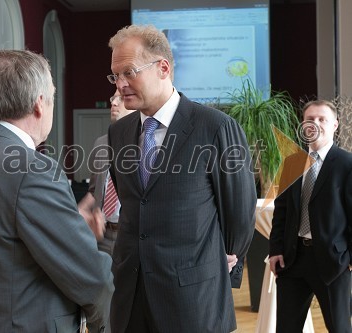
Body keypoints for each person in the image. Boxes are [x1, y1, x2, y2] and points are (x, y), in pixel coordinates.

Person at [0, 50, 113, 333]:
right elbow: (91, 276)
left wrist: (67, 226)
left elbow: (2, 239)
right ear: (39, 105)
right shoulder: (34, 169)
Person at [105, 25, 257, 333]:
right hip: (130, 299)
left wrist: (222, 262)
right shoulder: (118, 132)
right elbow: (132, 202)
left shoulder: (215, 127)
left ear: (163, 68)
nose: (120, 84)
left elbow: (240, 214)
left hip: (192, 301)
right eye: (115, 75)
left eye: (129, 72)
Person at [269, 100, 352, 332]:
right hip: (293, 260)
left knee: (339, 328)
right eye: (309, 119)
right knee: (286, 328)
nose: (315, 123)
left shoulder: (347, 164)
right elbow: (282, 210)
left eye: (322, 119)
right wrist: (275, 249)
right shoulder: (292, 162)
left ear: (335, 125)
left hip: (333, 262)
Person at [78, 90, 136, 255]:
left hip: (130, 238)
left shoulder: (148, 144)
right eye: (113, 98)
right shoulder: (101, 143)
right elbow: (93, 191)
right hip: (101, 236)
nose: (114, 103)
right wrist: (79, 211)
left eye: (121, 98)